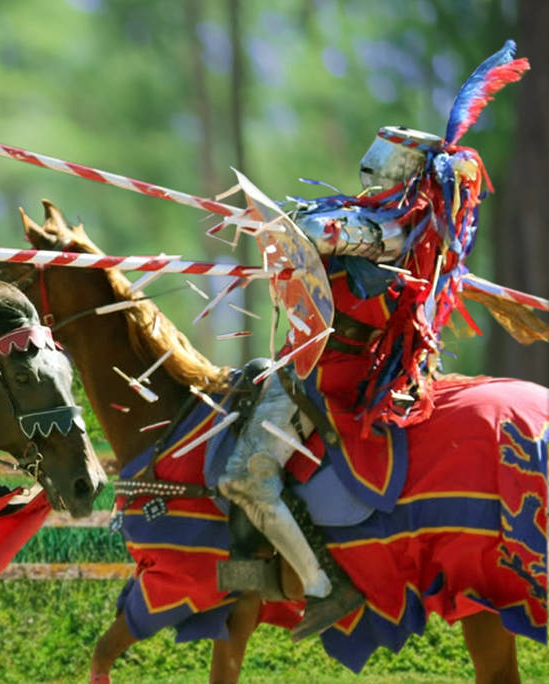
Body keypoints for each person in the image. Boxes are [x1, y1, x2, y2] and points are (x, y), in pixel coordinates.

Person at [218, 40, 538, 639]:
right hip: (331, 360)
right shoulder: (418, 232)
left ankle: (322, 585)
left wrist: (286, 227)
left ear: (398, 169)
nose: (368, 169)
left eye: (378, 162)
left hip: (331, 371)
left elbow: (320, 233)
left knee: (244, 477)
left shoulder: (388, 229)